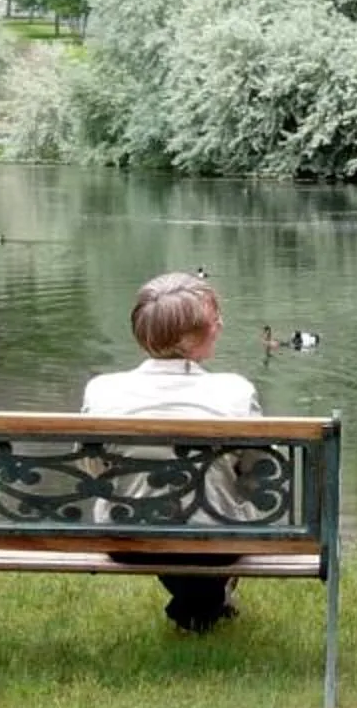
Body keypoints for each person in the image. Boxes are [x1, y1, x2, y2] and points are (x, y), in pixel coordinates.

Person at [83, 270, 260, 633]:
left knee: (156, 502)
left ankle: (197, 607)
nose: (221, 326)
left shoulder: (102, 391)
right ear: (191, 338)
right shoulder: (235, 392)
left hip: (126, 537)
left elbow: (94, 471)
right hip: (216, 542)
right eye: (214, 320)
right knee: (226, 509)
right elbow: (259, 476)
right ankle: (202, 605)